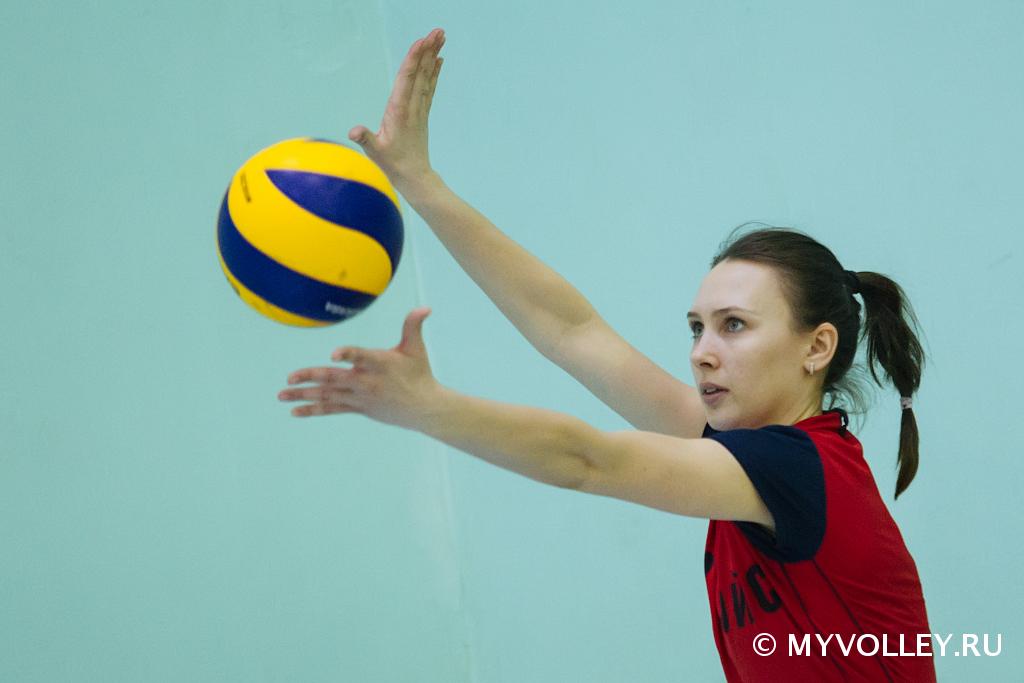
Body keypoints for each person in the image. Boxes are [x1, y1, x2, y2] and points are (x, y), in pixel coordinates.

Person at [277, 29, 935, 681]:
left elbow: (587, 460)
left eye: (734, 326)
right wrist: (420, 183)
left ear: (817, 347)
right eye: (696, 328)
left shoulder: (795, 467)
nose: (702, 353)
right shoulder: (754, 454)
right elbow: (570, 329)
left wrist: (429, 408)